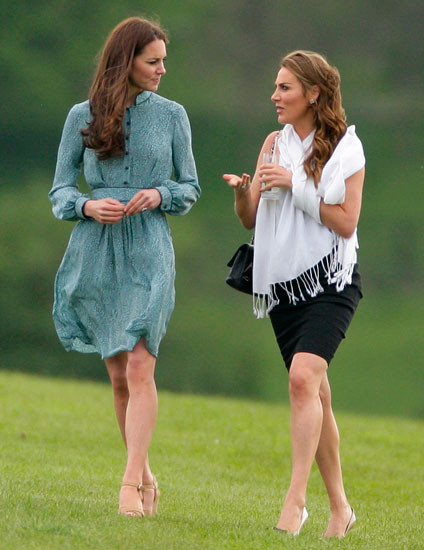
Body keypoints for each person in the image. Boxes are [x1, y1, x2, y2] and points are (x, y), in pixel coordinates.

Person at [49, 17, 200, 518]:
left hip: (150, 245)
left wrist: (160, 194)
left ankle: (128, 485)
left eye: (163, 61)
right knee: (118, 376)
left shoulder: (173, 115)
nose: (162, 70)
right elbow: (60, 189)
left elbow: (190, 186)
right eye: (153, 61)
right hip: (97, 247)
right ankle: (147, 475)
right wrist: (87, 206)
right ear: (126, 62)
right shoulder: (82, 115)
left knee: (140, 363)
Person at [223, 50, 364, 538]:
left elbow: (346, 222)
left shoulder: (347, 148)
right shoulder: (272, 144)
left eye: (285, 88)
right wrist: (243, 193)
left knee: (303, 378)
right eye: (276, 86)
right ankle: (341, 509)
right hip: (284, 286)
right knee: (314, 391)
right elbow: (250, 218)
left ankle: (296, 501)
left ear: (313, 93)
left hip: (331, 282)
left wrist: (295, 185)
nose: (275, 96)